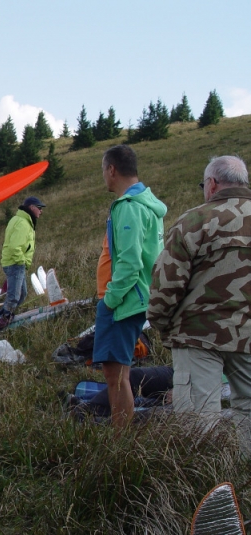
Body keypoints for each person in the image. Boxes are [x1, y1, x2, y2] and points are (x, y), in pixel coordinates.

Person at [147, 155, 251, 449]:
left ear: (212, 184)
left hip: (197, 336)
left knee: (198, 423)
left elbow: (166, 285)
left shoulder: (195, 221)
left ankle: (206, 477)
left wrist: (161, 324)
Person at [93, 144, 167, 430]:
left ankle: (121, 440)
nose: (104, 176)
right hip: (139, 297)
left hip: (124, 302)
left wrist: (110, 300)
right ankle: (122, 434)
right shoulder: (148, 204)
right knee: (119, 374)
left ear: (112, 169)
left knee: (115, 376)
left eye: (103, 170)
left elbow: (129, 262)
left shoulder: (128, 207)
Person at [0, 196, 46, 329]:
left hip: (14, 263)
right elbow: (14, 247)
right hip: (15, 264)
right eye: (39, 208)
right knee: (14, 296)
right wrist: (22, 261)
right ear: (32, 208)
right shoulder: (23, 223)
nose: (41, 211)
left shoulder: (20, 220)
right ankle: (3, 320)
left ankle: (6, 315)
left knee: (22, 294)